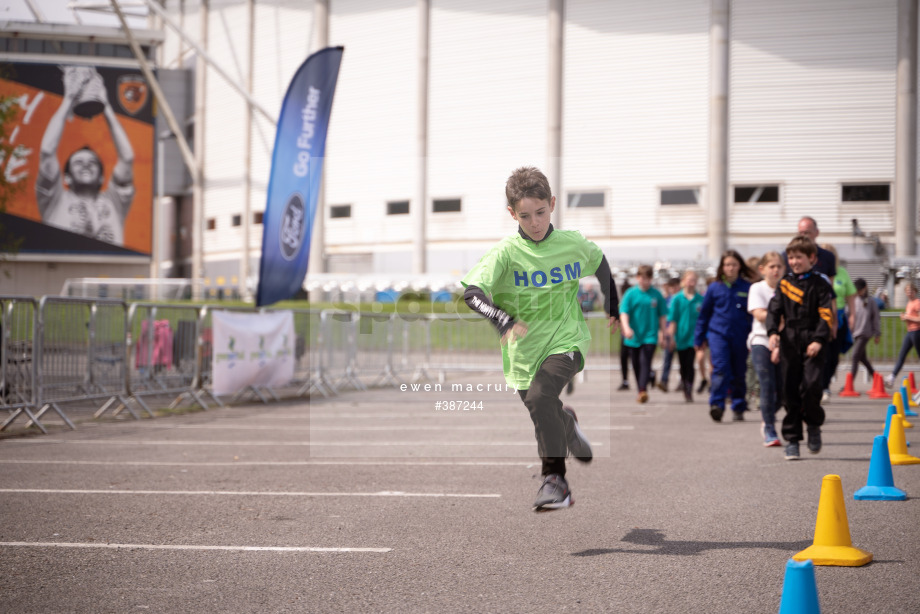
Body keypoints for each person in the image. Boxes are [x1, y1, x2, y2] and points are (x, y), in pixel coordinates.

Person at [461, 166, 618, 512]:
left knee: (541, 394)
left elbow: (601, 264)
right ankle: (568, 424)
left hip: (567, 340)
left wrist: (613, 306)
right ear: (512, 213)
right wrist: (502, 318)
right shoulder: (505, 253)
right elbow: (473, 293)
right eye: (525, 215)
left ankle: (555, 480)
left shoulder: (572, 243)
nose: (535, 222)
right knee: (541, 405)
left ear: (553, 204)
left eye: (541, 213)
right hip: (522, 352)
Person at [37, 65, 135, 245]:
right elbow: (47, 151)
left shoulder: (115, 202)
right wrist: (68, 98)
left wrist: (105, 106)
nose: (86, 165)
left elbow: (127, 158)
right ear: (66, 178)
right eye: (78, 163)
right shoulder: (54, 199)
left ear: (101, 178)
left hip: (109, 269)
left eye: (92, 163)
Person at [767, 235, 835, 460]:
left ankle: (814, 426)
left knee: (812, 386)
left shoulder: (821, 283)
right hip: (789, 341)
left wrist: (818, 339)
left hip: (813, 339)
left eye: (799, 257)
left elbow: (826, 314)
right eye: (792, 257)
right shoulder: (785, 283)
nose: (795, 262)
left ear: (812, 258)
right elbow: (774, 310)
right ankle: (793, 440)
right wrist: (773, 333)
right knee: (789, 390)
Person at [694, 250, 755, 422]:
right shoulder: (714, 288)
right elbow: (704, 315)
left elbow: (752, 315)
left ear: (739, 266)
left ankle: (738, 405)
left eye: (734, 264)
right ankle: (717, 405)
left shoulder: (747, 287)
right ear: (722, 267)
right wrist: (699, 338)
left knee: (738, 372)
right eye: (727, 265)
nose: (730, 268)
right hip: (718, 335)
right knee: (720, 369)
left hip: (740, 336)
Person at [748, 252, 785, 447]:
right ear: (762, 269)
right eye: (772, 266)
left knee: (783, 391)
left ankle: (767, 415)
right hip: (761, 341)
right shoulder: (757, 288)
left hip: (784, 343)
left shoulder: (787, 288)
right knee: (767, 383)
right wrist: (780, 316)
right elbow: (759, 314)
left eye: (779, 266)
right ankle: (770, 428)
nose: (776, 270)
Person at [620, 265, 668, 404]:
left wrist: (664, 334)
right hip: (633, 336)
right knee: (636, 364)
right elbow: (624, 313)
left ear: (651, 279)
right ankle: (643, 386)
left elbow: (662, 316)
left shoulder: (656, 294)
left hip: (650, 335)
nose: (644, 281)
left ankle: (642, 390)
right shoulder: (630, 293)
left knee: (645, 361)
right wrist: (627, 328)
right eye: (641, 278)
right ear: (637, 278)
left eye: (647, 278)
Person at [821, 244, 857, 400]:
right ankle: (821, 387)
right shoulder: (818, 273)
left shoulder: (842, 273)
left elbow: (851, 296)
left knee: (834, 357)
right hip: (821, 317)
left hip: (839, 318)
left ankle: (826, 383)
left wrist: (853, 315)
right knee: (823, 354)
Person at [667, 269, 703, 402]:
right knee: (683, 364)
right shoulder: (677, 299)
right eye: (689, 280)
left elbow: (703, 319)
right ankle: (684, 381)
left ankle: (689, 388)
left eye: (694, 280)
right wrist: (671, 337)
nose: (691, 283)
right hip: (681, 337)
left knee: (691, 364)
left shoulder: (700, 299)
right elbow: (673, 320)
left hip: (694, 337)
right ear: (683, 282)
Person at [885, 282, 920, 388]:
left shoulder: (917, 302)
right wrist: (904, 317)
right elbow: (909, 317)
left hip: (917, 332)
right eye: (908, 291)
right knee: (902, 355)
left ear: (915, 291)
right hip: (910, 332)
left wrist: (907, 317)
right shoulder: (909, 304)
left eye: (911, 290)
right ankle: (892, 377)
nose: (909, 292)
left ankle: (892, 377)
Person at [850, 278, 880, 382]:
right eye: (856, 290)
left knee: (854, 356)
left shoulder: (871, 302)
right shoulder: (854, 300)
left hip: (865, 333)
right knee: (862, 358)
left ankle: (849, 383)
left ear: (865, 288)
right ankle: (876, 378)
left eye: (860, 289)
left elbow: (876, 318)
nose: (858, 292)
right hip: (855, 333)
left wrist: (877, 333)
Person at [657, 277, 681, 393]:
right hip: (668, 333)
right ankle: (664, 381)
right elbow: (663, 317)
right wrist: (662, 333)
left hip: (681, 334)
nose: (674, 289)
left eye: (676, 286)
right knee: (667, 359)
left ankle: (683, 382)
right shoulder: (667, 300)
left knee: (683, 360)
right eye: (671, 287)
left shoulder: (682, 299)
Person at [617, 278, 632, 390]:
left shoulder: (632, 301)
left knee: (637, 360)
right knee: (623, 358)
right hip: (624, 336)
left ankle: (648, 375)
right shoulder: (622, 303)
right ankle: (625, 380)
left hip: (635, 335)